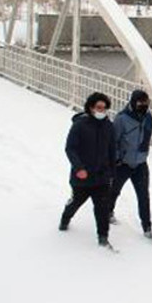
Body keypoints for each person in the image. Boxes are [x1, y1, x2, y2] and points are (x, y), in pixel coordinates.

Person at [59, 92, 118, 250]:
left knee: (102, 209)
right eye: (99, 108)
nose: (102, 111)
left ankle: (103, 238)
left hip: (102, 177)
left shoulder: (108, 126)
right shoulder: (80, 125)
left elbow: (113, 150)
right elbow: (70, 148)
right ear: (91, 107)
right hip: (83, 176)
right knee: (76, 202)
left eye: (104, 108)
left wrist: (112, 171)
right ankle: (65, 219)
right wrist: (79, 168)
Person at [110, 90, 152, 240]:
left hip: (140, 164)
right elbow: (114, 141)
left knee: (143, 195)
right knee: (114, 191)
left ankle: (147, 227)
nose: (143, 105)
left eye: (146, 102)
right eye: (140, 102)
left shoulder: (148, 117)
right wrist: (118, 158)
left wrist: (143, 155)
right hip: (123, 164)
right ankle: (107, 213)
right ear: (133, 102)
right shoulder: (121, 119)